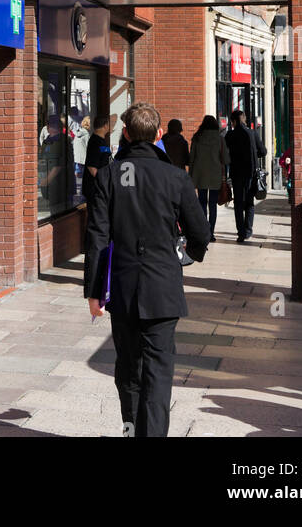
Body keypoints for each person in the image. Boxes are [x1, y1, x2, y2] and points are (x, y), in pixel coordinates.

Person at [84, 101, 211, 438]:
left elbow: (97, 236)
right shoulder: (174, 176)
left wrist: (94, 291)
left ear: (125, 134)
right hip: (163, 288)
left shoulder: (110, 174)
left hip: (123, 290)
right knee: (158, 372)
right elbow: (201, 232)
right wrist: (188, 254)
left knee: (128, 370)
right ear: (158, 135)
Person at [225, 109, 266, 244]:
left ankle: (240, 232)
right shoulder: (252, 133)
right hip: (250, 173)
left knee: (238, 203)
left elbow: (226, 153)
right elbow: (263, 151)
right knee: (249, 202)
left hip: (236, 173)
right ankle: (248, 230)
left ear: (234, 121)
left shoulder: (230, 135)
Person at [188, 115, 229, 241]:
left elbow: (191, 159)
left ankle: (203, 231)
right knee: (212, 205)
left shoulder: (197, 137)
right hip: (215, 175)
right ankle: (211, 233)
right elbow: (226, 159)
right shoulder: (220, 139)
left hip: (200, 175)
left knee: (201, 204)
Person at [83, 113, 115, 205]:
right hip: (95, 190)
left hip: (100, 189)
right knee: (96, 217)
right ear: (105, 125)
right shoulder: (95, 142)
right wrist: (104, 182)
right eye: (109, 124)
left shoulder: (102, 141)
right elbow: (92, 167)